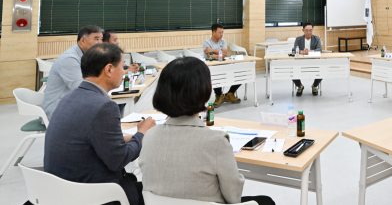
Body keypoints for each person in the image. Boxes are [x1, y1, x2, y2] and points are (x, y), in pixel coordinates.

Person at [139, 57, 275, 205]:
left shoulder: (149, 136)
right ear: (204, 91)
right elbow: (233, 197)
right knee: (266, 201)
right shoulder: (216, 142)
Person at [44, 43, 156, 205]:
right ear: (109, 70)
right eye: (122, 67)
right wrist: (141, 133)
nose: (124, 71)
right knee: (155, 192)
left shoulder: (68, 98)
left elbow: (88, 138)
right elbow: (119, 159)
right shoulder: (104, 106)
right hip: (92, 194)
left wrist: (125, 137)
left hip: (59, 191)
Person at [41, 25, 103, 120]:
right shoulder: (69, 59)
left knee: (111, 106)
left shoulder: (85, 56)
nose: (100, 43)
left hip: (73, 103)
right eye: (96, 39)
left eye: (101, 39)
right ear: (83, 41)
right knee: (106, 109)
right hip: (58, 111)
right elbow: (81, 88)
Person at [203, 23, 241, 107]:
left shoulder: (223, 41)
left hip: (224, 63)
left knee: (240, 72)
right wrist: (218, 54)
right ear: (213, 32)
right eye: (219, 32)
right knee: (216, 74)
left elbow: (224, 54)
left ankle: (230, 94)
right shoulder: (206, 42)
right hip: (212, 66)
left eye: (222, 32)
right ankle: (219, 95)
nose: (221, 34)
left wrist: (213, 51)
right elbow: (210, 56)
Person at [292, 22, 323, 96]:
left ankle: (315, 85)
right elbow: (294, 50)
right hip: (301, 61)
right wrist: (301, 52)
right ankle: (300, 86)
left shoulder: (316, 38)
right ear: (303, 30)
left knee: (322, 70)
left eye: (311, 30)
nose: (309, 32)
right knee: (292, 71)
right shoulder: (298, 39)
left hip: (314, 61)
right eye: (307, 30)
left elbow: (319, 50)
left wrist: (308, 52)